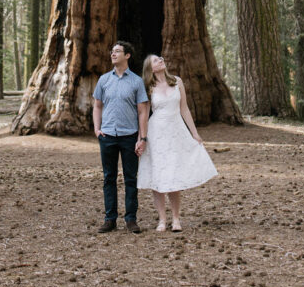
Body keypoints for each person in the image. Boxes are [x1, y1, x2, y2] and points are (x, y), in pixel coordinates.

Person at [137, 54, 217, 232]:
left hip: (176, 131)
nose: (161, 60)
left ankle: (176, 218)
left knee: (173, 174)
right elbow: (144, 114)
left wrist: (194, 133)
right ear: (151, 68)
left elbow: (184, 109)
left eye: (160, 58)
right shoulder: (148, 87)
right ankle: (162, 220)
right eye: (156, 61)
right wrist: (141, 138)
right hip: (156, 132)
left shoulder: (177, 82)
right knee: (158, 175)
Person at [93, 41, 149, 234]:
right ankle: (110, 219)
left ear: (127, 56)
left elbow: (142, 111)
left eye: (117, 51)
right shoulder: (103, 80)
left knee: (130, 178)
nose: (113, 54)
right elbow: (97, 105)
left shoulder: (136, 82)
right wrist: (97, 129)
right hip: (107, 135)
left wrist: (142, 138)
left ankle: (131, 219)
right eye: (112, 51)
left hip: (129, 136)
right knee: (109, 178)